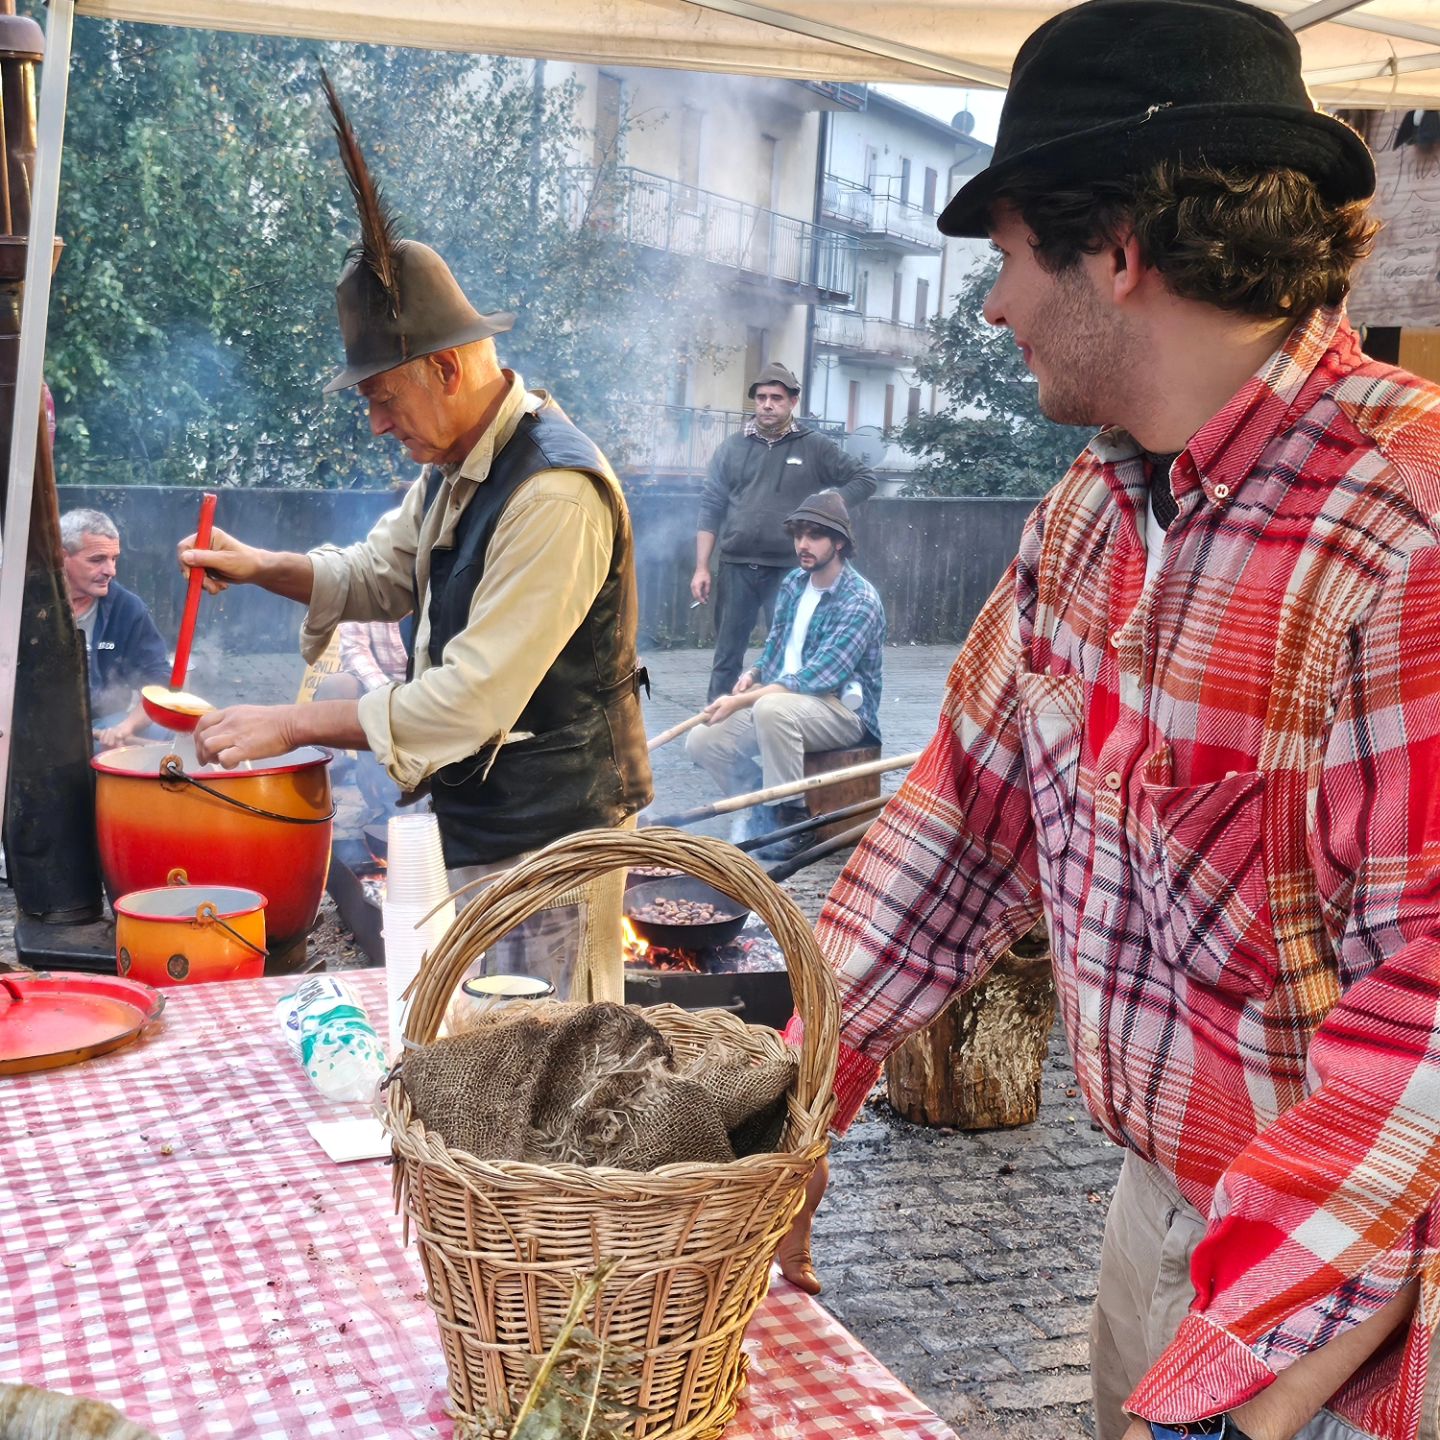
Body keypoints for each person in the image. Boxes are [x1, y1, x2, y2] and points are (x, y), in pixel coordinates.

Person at [778, 4, 1440, 1439]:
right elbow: (957, 826)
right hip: (1159, 1220)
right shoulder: (1087, 518)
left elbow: (1426, 1033)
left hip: (1355, 1310)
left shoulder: (1408, 537)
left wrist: (1214, 1401)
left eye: (1009, 257)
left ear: (1119, 251)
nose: (994, 304)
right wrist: (776, 1111)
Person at [177, 80, 652, 1003]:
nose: (377, 424)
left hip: (556, 833)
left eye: (383, 398)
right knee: (492, 1058)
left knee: (554, 1076)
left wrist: (293, 720)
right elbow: (381, 570)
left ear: (445, 368)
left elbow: (468, 701)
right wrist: (263, 567)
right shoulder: (458, 461)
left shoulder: (552, 490)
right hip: (492, 821)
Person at [686, 493, 883, 857]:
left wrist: (744, 699)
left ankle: (794, 823)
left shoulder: (860, 600)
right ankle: (763, 807)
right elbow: (777, 647)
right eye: (798, 535)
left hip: (842, 711)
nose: (802, 545)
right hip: (783, 702)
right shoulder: (794, 583)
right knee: (702, 739)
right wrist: (754, 672)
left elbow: (820, 676)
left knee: (772, 709)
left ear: (839, 543)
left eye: (814, 536)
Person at [692, 362, 877, 702]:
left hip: (791, 571)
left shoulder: (815, 446)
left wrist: (831, 501)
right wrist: (702, 566)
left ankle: (781, 724)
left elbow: (864, 479)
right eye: (761, 397)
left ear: (792, 402)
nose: (767, 404)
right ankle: (715, 735)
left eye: (776, 397)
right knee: (726, 658)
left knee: (787, 654)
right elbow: (711, 506)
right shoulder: (732, 448)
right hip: (736, 565)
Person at [60, 507, 170, 750]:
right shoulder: (26, 602)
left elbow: (159, 681)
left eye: (114, 559)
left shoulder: (127, 608)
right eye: (97, 559)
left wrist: (125, 728)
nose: (111, 570)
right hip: (31, 727)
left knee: (166, 731)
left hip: (104, 722)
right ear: (62, 556)